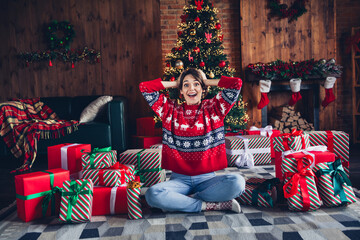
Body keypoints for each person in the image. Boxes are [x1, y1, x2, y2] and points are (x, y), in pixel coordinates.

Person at [139, 68, 246, 213]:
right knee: (152, 194)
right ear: (181, 91)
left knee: (238, 183)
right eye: (186, 85)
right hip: (179, 179)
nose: (191, 88)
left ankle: (184, 200)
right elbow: (144, 87)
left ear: (203, 89)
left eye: (196, 84)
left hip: (207, 178)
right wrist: (175, 83)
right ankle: (206, 205)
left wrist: (206, 80)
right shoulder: (169, 110)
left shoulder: (215, 108)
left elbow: (236, 84)